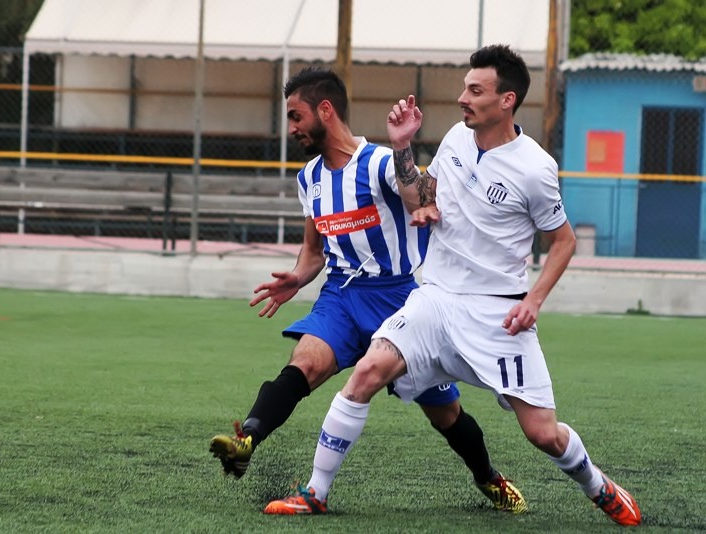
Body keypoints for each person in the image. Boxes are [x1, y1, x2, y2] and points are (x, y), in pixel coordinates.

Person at [264, 46, 642, 527]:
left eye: (475, 90)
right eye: (465, 87)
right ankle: (314, 493)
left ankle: (599, 486)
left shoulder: (535, 167)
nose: (463, 97)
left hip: (498, 315)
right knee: (366, 374)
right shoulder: (456, 141)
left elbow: (564, 241)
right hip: (436, 299)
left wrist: (534, 300)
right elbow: (421, 195)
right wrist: (403, 147)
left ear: (507, 100)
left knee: (543, 434)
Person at [209, 66, 526, 515]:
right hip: (341, 294)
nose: (292, 128)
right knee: (304, 363)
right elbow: (313, 250)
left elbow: (421, 202)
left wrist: (403, 148)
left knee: (445, 415)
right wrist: (297, 278)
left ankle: (489, 478)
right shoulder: (309, 179)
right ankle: (247, 439)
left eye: (296, 117)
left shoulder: (378, 163)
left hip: (398, 298)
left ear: (325, 109)